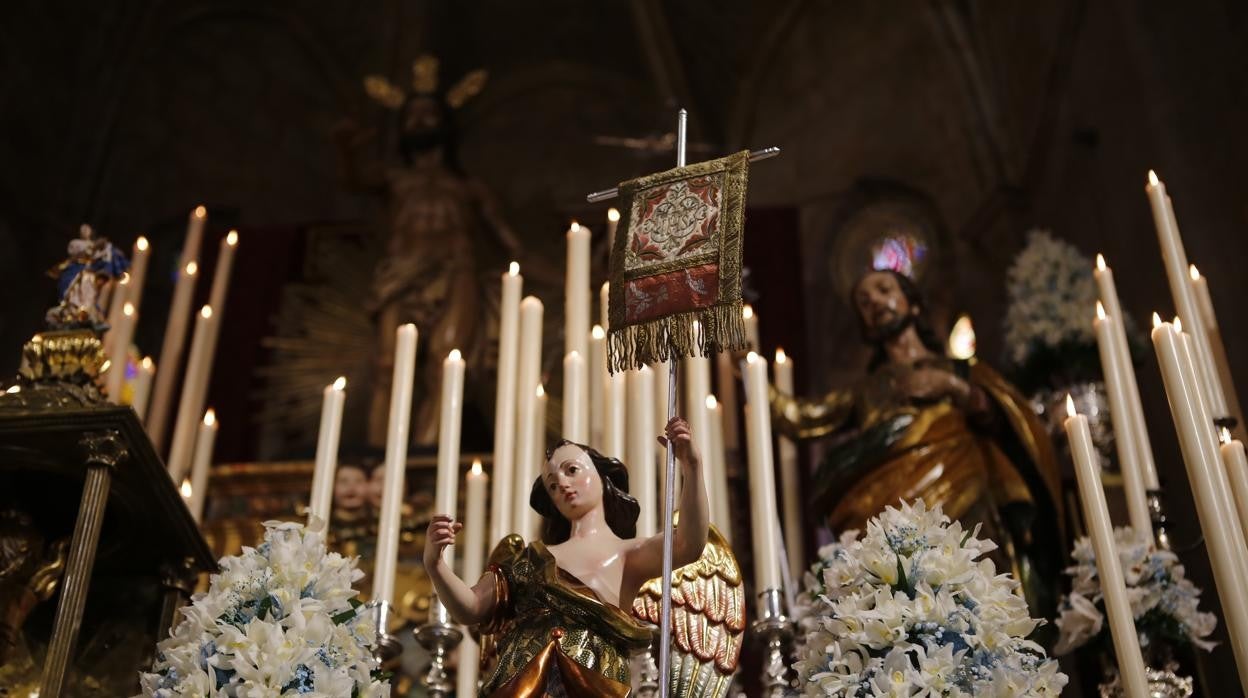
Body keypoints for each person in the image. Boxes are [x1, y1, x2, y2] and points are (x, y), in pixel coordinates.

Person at [772, 268, 1063, 617]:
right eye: (864, 302)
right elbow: (802, 417)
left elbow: (1012, 424)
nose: (875, 302)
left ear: (912, 305)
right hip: (888, 516)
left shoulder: (961, 369)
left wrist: (954, 388)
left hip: (964, 499)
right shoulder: (866, 390)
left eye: (884, 290)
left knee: (977, 603)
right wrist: (745, 364)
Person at [424, 418, 708, 697]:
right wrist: (436, 565)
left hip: (595, 684)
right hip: (525, 684)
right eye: (551, 484)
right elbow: (471, 608)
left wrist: (692, 467)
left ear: (602, 476)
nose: (562, 483)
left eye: (571, 470)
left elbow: (687, 544)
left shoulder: (626, 554)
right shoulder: (528, 560)